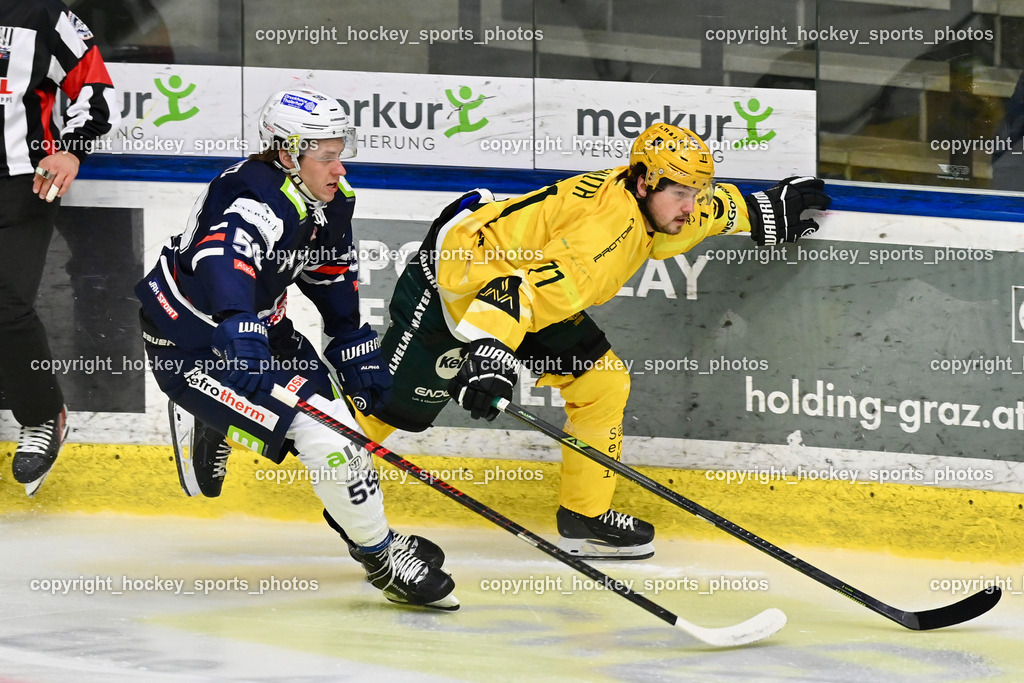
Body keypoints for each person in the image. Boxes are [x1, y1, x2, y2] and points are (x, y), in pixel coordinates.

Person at [357, 122, 831, 560]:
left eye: (696, 191)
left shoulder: (644, 198)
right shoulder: (600, 244)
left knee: (601, 383)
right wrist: (490, 351)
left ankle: (583, 512)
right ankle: (332, 486)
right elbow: (519, 293)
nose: (691, 205)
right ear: (645, 183)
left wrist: (753, 210)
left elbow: (700, 214)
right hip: (454, 287)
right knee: (382, 412)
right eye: (682, 192)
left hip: (520, 290)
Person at [134, 88, 458, 611]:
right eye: (326, 157)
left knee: (344, 427)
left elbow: (328, 271)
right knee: (327, 436)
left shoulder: (332, 198)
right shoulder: (254, 196)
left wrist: (350, 337)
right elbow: (223, 256)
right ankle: (379, 556)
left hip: (264, 331)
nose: (339, 168)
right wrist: (238, 321)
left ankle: (217, 421)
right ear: (288, 154)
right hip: (194, 343)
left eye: (340, 153)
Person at [0, 0, 118, 496]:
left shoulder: (42, 13)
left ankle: (42, 414)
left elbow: (92, 85)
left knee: (5, 306)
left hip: (23, 181)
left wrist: (71, 148)